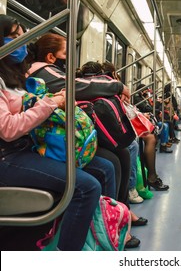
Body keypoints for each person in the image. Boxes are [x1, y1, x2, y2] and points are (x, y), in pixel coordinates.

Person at [0, 14, 116, 251]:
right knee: (87, 187)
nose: (21, 43)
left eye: (23, 37)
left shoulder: (16, 76)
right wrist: (51, 103)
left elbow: (31, 106)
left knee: (105, 167)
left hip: (30, 145)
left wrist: (55, 101)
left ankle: (105, 230)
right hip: (8, 156)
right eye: (14, 37)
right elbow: (8, 130)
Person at [27, 35, 131, 204]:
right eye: (66, 53)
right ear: (51, 57)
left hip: (61, 133)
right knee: (112, 162)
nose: (70, 58)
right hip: (51, 138)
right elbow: (74, 85)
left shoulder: (48, 70)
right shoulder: (42, 71)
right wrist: (117, 86)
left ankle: (121, 211)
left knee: (122, 151)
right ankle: (110, 219)